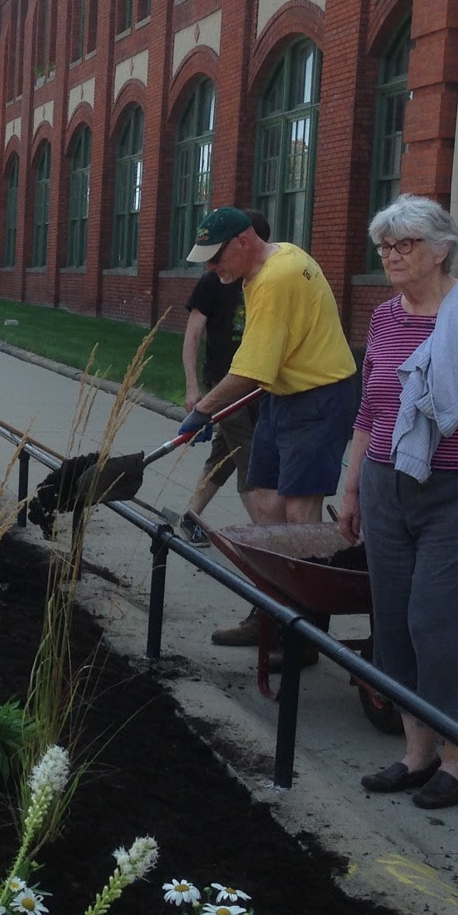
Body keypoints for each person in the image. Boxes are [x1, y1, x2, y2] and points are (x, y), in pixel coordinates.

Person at [335, 195, 458, 810]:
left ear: (441, 250)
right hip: (386, 484)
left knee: (444, 624)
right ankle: (416, 752)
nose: (392, 256)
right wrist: (351, 488)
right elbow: (370, 410)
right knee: (395, 622)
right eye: (385, 247)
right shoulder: (384, 318)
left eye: (405, 245)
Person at [179, 208, 360, 648]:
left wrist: (202, 410)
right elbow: (264, 362)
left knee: (299, 513)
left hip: (319, 397)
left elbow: (251, 369)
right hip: (283, 394)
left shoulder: (278, 278)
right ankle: (273, 610)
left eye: (215, 257)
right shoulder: (268, 264)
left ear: (243, 240)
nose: (210, 268)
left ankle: (304, 635)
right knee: (264, 500)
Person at [179, 208, 271, 546]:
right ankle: (269, 541)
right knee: (249, 458)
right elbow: (192, 335)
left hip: (259, 387)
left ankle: (190, 517)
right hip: (224, 384)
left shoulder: (266, 281)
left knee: (223, 455)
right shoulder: (212, 282)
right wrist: (193, 387)